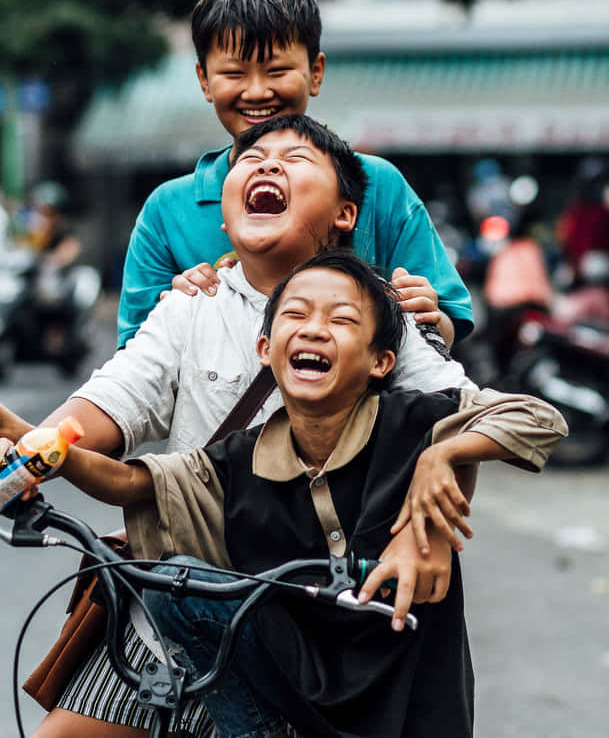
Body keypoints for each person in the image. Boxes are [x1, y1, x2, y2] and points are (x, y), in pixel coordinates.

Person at [0, 115, 564, 737]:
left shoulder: (384, 313)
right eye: (252, 157)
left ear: (346, 213)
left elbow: (475, 411)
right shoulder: (192, 306)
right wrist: (27, 448)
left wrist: (433, 490)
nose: (267, 164)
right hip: (177, 608)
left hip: (317, 633)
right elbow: (110, 414)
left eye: (295, 158)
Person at [117, 0, 474, 350]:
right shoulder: (167, 210)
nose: (257, 91)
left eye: (277, 71)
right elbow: (134, 358)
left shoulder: (378, 184)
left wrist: (428, 316)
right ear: (204, 80)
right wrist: (172, 312)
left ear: (315, 73)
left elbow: (445, 329)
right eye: (234, 73)